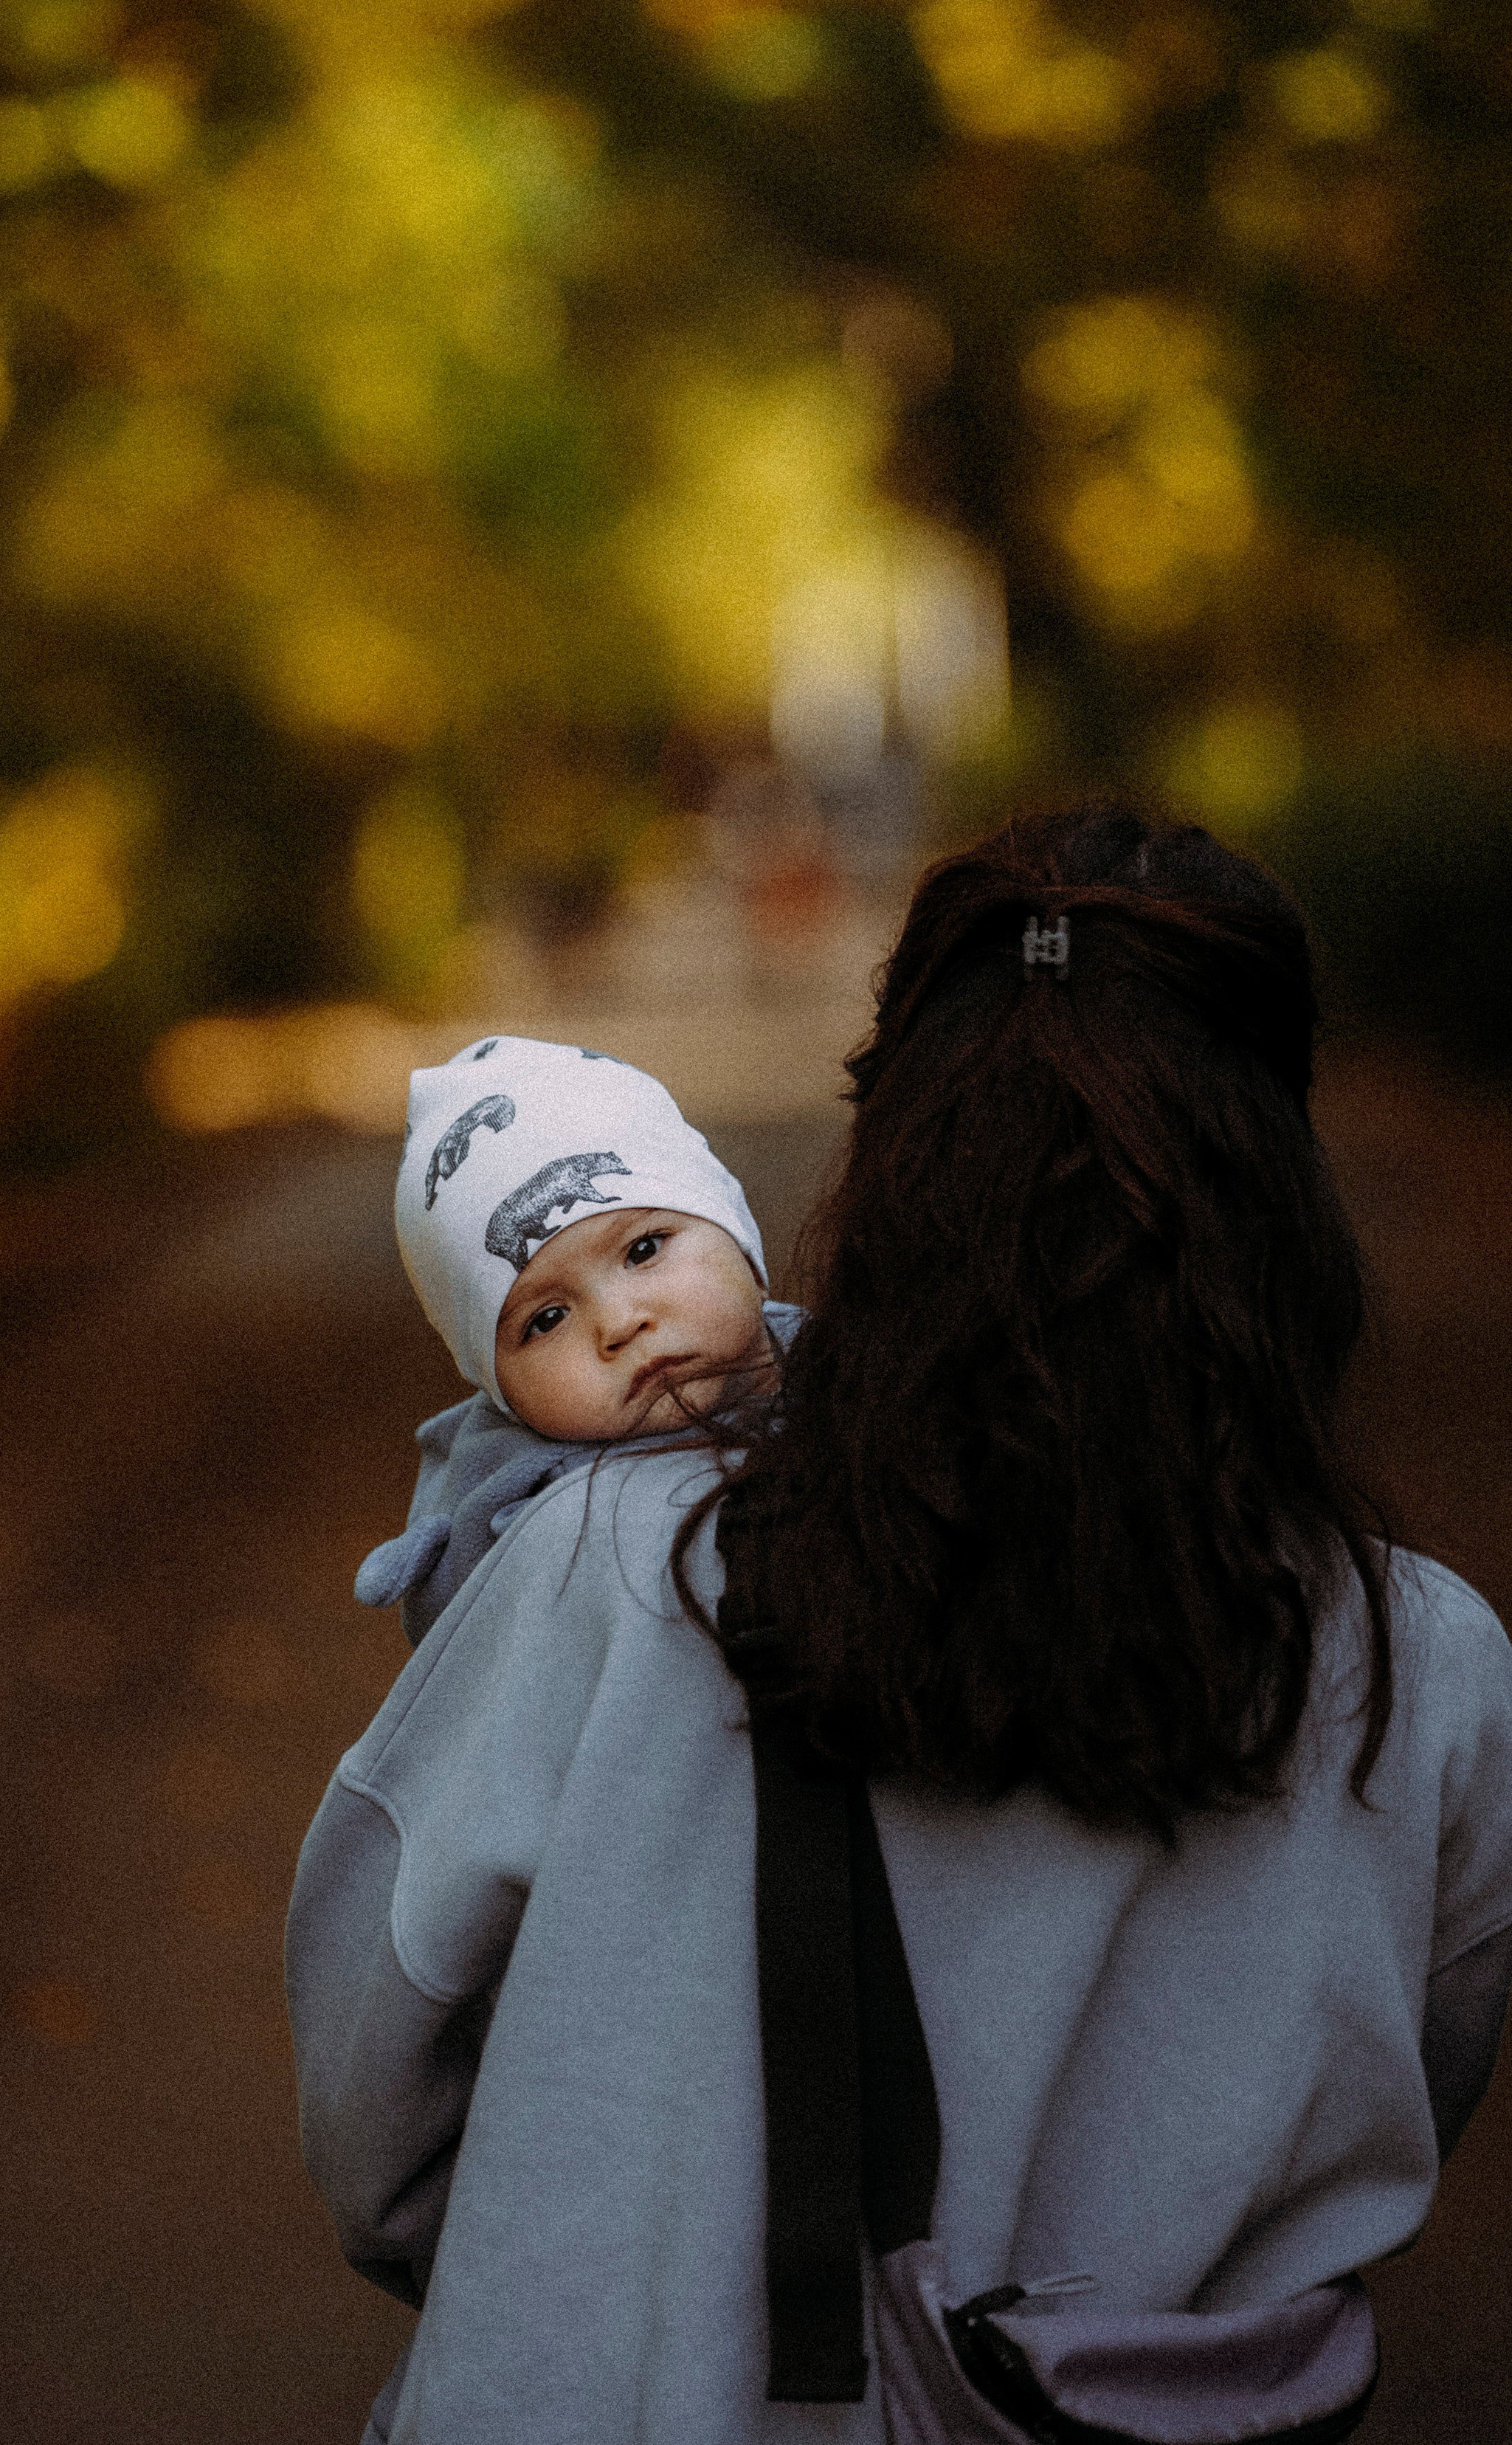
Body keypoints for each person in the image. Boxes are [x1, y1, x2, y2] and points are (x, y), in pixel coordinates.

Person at [286, 808, 1512, 2445]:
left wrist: (605, 2273)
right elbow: (1388, 2118)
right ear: (1282, 1183)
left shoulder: (615, 1563)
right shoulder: (1424, 1671)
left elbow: (380, 2115)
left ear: (888, 1153)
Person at [351, 1033, 791, 1644]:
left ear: (734, 1232)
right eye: (547, 1319)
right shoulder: (521, 1500)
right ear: (498, 1387)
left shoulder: (864, 1361)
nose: (618, 1323)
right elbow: (466, 1648)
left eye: (643, 1250)